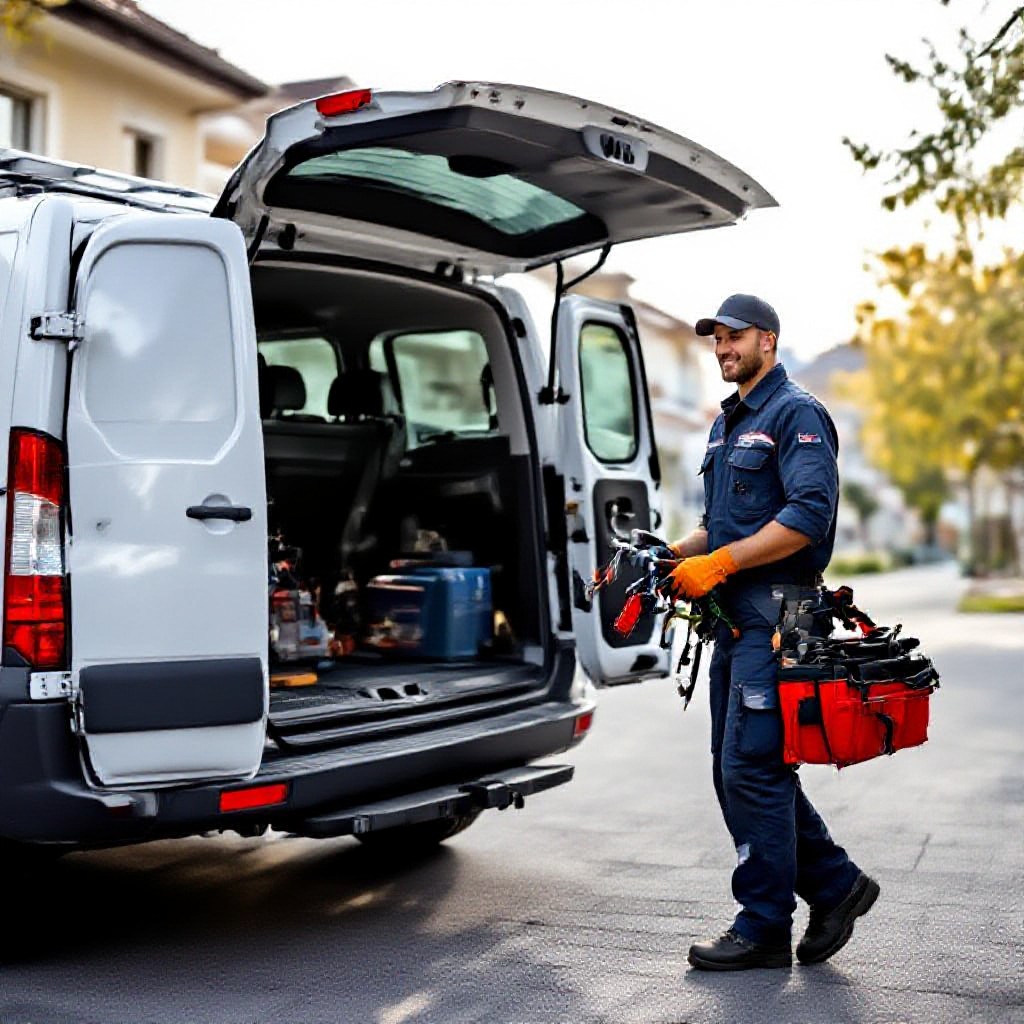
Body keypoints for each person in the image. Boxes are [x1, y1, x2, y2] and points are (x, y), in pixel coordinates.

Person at [660, 294, 879, 971]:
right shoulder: (726, 426)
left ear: (769, 340)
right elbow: (722, 525)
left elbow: (809, 515)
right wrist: (681, 554)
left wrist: (721, 562)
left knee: (751, 768)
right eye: (716, 339)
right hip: (735, 621)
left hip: (781, 618)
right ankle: (836, 885)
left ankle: (762, 925)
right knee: (743, 773)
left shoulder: (797, 415)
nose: (724, 348)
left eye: (736, 337)